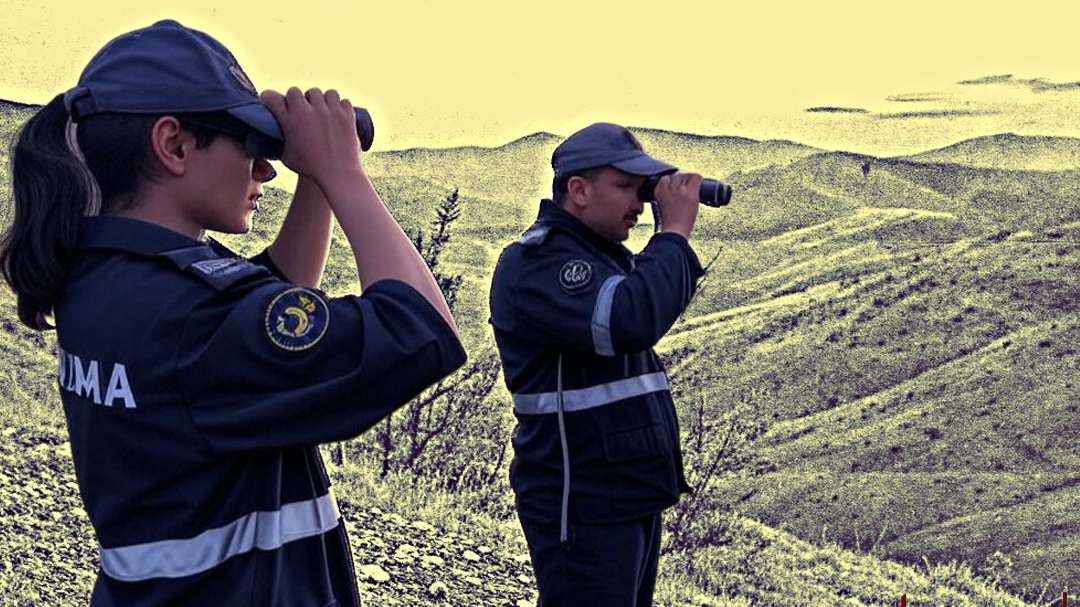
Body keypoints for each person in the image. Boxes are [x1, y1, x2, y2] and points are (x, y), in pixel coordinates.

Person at [0, 20, 465, 607]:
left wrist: (314, 182)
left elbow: (274, 304)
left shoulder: (107, 277)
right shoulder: (187, 317)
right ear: (173, 145)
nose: (265, 168)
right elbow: (421, 330)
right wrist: (343, 174)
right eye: (250, 145)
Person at [489, 123, 704, 606]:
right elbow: (630, 320)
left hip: (628, 494)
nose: (640, 203)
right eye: (626, 187)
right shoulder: (539, 263)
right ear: (579, 191)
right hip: (583, 501)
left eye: (642, 189)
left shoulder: (602, 259)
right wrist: (673, 234)